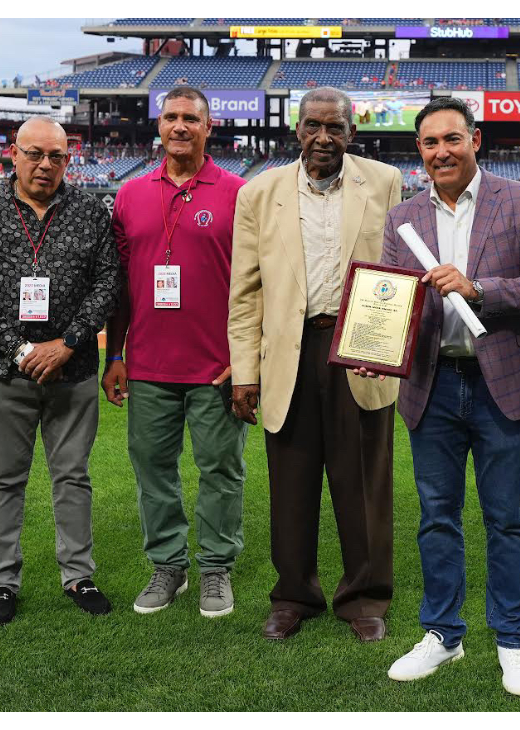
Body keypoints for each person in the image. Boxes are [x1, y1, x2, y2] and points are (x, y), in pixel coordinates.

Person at [374, 97, 520, 696]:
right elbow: (390, 297)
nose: (441, 152)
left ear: (475, 140)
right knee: (437, 518)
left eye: (452, 139)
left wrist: (478, 288)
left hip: (499, 381)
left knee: (505, 517)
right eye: (430, 144)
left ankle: (512, 637)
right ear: (420, 152)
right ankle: (443, 635)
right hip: (432, 382)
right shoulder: (403, 217)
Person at [228, 87, 402, 643]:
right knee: (291, 483)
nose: (323, 137)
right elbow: (245, 292)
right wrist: (244, 371)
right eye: (313, 126)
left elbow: (397, 276)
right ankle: (294, 595)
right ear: (296, 130)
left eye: (335, 127)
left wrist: (388, 348)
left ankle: (364, 597)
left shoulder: (382, 182)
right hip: (289, 354)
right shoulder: (260, 192)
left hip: (360, 353)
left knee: (363, 485)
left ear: (352, 132)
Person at [0, 116, 120, 624]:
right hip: (5, 371)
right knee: (4, 479)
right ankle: (2, 582)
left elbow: (108, 283)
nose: (45, 165)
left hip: (75, 368)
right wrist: (19, 348)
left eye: (57, 156)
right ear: (14, 155)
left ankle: (78, 574)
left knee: (73, 477)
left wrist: (66, 344)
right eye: (35, 154)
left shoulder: (90, 210)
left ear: (69, 160)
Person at [104, 87, 249, 617]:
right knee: (152, 469)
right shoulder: (130, 194)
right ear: (158, 126)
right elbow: (118, 286)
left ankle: (215, 568)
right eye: (171, 117)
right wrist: (113, 355)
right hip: (146, 365)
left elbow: (258, 284)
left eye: (191, 118)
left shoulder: (239, 192)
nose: (180, 126)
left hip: (217, 365)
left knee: (221, 469)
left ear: (209, 127)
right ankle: (168, 565)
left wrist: (247, 359)